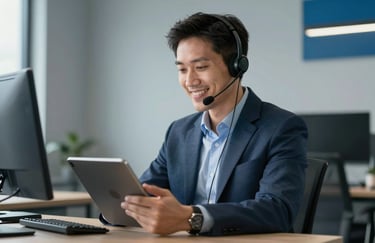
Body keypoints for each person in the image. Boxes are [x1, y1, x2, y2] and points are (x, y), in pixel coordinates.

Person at [120, 12, 308, 236]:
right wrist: (118, 207)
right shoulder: (179, 132)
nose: (189, 81)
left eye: (200, 67)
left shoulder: (281, 127)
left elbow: (277, 210)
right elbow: (144, 193)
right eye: (182, 69)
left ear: (237, 66)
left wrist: (192, 218)